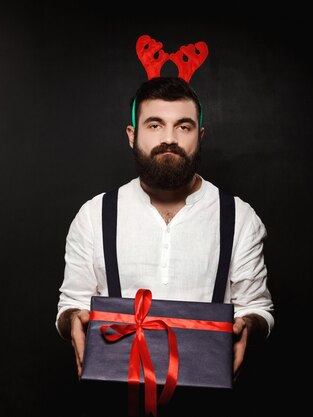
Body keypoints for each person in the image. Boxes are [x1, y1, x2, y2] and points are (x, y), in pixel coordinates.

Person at [55, 76, 274, 414]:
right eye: (155, 125)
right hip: (114, 400)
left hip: (210, 402)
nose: (169, 139)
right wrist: (72, 320)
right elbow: (71, 302)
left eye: (183, 127)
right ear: (133, 136)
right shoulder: (93, 215)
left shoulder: (239, 216)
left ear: (199, 137)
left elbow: (258, 308)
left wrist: (249, 326)